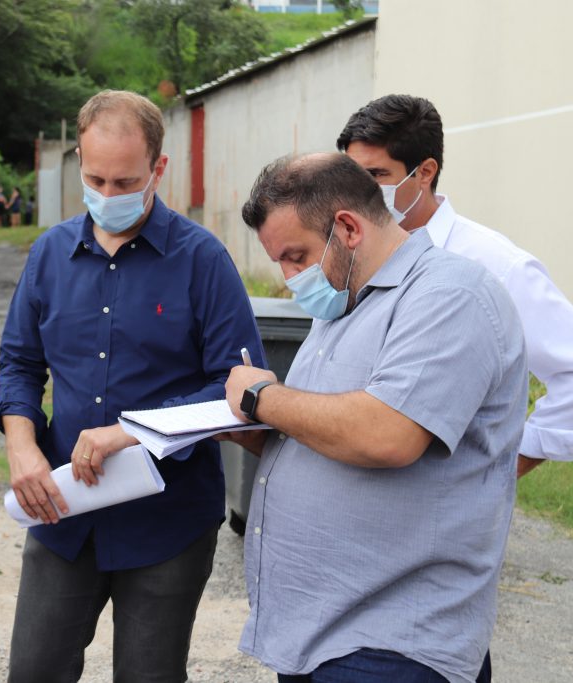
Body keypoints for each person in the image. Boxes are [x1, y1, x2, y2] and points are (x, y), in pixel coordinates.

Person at [0, 89, 264, 682]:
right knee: (33, 672)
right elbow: (18, 363)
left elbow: (239, 388)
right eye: (95, 180)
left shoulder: (203, 261)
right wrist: (21, 445)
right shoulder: (49, 254)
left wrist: (130, 432)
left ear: (158, 168)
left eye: (125, 182)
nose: (108, 195)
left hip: (168, 522)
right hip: (64, 513)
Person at [225, 153, 526, 683]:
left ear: (347, 228)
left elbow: (388, 434)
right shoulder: (344, 304)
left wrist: (260, 398)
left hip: (394, 644)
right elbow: (328, 429)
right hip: (320, 632)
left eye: (296, 256)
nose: (290, 278)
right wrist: (253, 432)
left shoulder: (450, 295)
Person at [337, 94, 573, 477]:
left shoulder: (494, 264)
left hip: (439, 501)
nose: (359, 191)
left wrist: (502, 466)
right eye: (352, 176)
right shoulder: (351, 253)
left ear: (425, 172)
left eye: (376, 176)